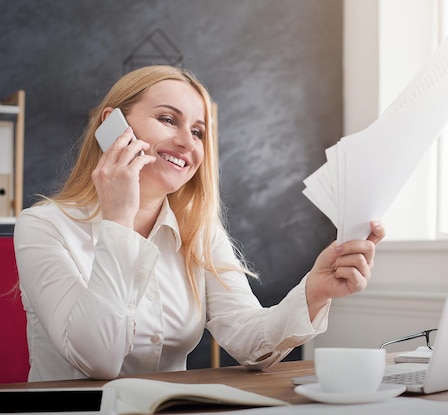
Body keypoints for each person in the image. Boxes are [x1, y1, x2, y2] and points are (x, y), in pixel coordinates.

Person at [13, 65, 385, 382]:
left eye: (198, 132)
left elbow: (250, 342)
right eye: (167, 119)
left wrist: (314, 291)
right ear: (113, 125)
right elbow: (99, 361)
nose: (186, 143)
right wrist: (119, 218)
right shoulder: (42, 227)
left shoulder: (198, 232)